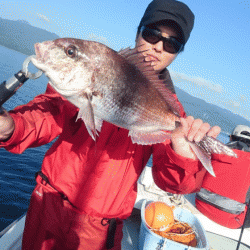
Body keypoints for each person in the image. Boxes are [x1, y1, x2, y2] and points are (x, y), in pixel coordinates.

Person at [0, 0, 221, 249]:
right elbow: (48, 114)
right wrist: (10, 126)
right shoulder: (93, 67)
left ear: (177, 53)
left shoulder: (173, 112)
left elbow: (172, 182)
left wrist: (182, 155)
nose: (158, 47)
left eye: (171, 44)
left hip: (98, 230)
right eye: (151, 34)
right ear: (138, 31)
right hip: (47, 205)